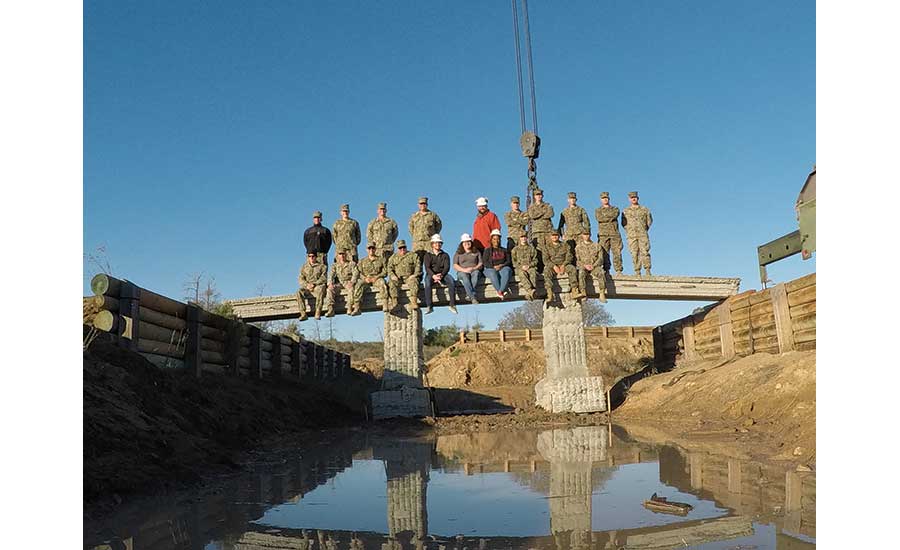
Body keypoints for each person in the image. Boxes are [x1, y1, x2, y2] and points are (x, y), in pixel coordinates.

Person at [542, 229, 582, 304]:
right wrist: (554, 266)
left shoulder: (565, 245)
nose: (555, 237)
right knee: (546, 271)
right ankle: (549, 293)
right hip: (552, 266)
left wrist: (564, 265)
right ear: (550, 237)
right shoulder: (546, 247)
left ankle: (574, 290)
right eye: (553, 235)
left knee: (572, 269)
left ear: (559, 236)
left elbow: (569, 256)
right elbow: (545, 260)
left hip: (564, 264)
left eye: (556, 235)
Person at [422, 234, 458, 315]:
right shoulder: (427, 255)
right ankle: (429, 306)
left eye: (439, 243)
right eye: (436, 243)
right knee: (427, 283)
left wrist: (441, 275)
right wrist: (434, 276)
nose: (438, 245)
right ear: (432, 244)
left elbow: (447, 267)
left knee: (451, 282)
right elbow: (427, 267)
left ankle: (452, 304)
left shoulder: (445, 255)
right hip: (431, 274)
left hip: (443, 274)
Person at [621, 191, 653, 277]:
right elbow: (624, 223)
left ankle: (647, 270)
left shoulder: (644, 209)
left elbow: (649, 221)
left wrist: (643, 228)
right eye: (632, 198)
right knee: (634, 253)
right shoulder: (625, 211)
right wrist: (630, 230)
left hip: (642, 234)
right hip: (631, 235)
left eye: (635, 197)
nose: (633, 199)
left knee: (645, 252)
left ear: (637, 198)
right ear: (629, 199)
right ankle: (637, 271)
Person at [386, 239, 421, 310]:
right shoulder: (393, 258)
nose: (402, 249)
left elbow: (418, 266)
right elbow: (389, 268)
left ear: (406, 247)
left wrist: (414, 275)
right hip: (398, 279)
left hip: (410, 277)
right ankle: (394, 302)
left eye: (403, 247)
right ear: (397, 249)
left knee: (414, 281)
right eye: (400, 248)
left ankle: (414, 301)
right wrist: (392, 275)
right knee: (391, 283)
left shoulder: (413, 255)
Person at [325, 250, 362, 317]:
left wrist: (352, 281)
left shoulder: (352, 264)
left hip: (348, 282)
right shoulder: (335, 265)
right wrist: (330, 283)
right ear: (338, 256)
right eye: (340, 254)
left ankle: (349, 307)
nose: (342, 256)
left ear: (346, 255)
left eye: (343, 254)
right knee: (329, 290)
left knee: (351, 289)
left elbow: (356, 273)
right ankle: (330, 309)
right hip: (340, 283)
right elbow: (331, 275)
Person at [595, 191, 624, 275]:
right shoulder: (598, 210)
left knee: (617, 252)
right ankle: (606, 269)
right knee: (604, 253)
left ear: (609, 199)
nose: (605, 200)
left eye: (606, 198)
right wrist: (609, 217)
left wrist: (606, 217)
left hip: (614, 233)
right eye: (603, 198)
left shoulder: (615, 209)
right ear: (601, 200)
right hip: (603, 235)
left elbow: (615, 215)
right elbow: (599, 218)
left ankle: (618, 270)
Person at [574, 231, 608, 303]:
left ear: (590, 235)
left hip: (594, 266)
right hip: (584, 266)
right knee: (581, 273)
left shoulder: (597, 246)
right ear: (582, 236)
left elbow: (601, 258)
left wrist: (594, 265)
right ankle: (583, 292)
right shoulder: (578, 247)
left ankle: (602, 293)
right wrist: (584, 265)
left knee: (601, 272)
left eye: (588, 234)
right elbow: (577, 260)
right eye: (585, 234)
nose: (586, 236)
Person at [408, 197, 442, 262]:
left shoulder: (432, 215)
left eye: (424, 203)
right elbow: (410, 228)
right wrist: (416, 236)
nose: (423, 205)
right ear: (418, 205)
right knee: (417, 262)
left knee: (431, 261)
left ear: (427, 204)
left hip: (429, 242)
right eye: (421, 204)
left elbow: (439, 225)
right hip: (417, 243)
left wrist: (433, 235)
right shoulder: (414, 216)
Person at [359, 242, 390, 312]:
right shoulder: (362, 261)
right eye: (369, 248)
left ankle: (385, 303)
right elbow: (359, 273)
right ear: (367, 250)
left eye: (373, 248)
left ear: (375, 249)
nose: (371, 250)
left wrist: (377, 277)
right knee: (359, 284)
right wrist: (365, 278)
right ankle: (357, 305)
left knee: (383, 283)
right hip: (366, 279)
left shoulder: (381, 259)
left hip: (377, 279)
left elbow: (385, 272)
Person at [482, 229, 512, 299]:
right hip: (490, 268)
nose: (496, 241)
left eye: (498, 239)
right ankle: (502, 290)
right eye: (494, 239)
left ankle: (500, 292)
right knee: (493, 273)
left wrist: (501, 265)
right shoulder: (487, 250)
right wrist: (493, 267)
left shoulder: (504, 250)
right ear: (491, 240)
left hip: (502, 267)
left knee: (507, 271)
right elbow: (485, 262)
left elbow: (508, 261)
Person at [453, 233, 483, 303]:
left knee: (476, 274)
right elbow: (455, 265)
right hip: (462, 271)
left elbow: (481, 263)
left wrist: (474, 268)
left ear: (471, 242)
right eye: (465, 242)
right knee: (464, 276)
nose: (467, 243)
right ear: (462, 243)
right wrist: (464, 270)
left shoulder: (476, 251)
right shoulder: (458, 253)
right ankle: (472, 297)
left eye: (468, 241)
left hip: (474, 270)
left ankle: (469, 294)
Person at [296, 252, 327, 320]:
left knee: (321, 289)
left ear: (316, 257)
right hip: (307, 287)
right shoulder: (304, 267)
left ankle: (318, 312)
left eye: (313, 256)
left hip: (317, 286)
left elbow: (324, 278)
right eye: (309, 256)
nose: (311, 257)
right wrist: (307, 285)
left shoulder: (322, 266)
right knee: (299, 292)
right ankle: (303, 313)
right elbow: (301, 279)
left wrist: (315, 284)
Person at [527, 187, 554, 256]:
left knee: (550, 249)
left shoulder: (547, 205)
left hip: (548, 230)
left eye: (540, 194)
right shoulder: (531, 207)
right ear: (534, 196)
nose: (539, 196)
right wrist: (543, 212)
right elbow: (532, 215)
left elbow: (550, 214)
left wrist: (538, 214)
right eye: (537, 195)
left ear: (542, 195)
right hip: (537, 231)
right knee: (538, 250)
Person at [511, 233, 539, 301]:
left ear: (527, 238)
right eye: (522, 237)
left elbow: (535, 260)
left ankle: (529, 293)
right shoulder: (515, 250)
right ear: (519, 238)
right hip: (520, 268)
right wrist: (521, 267)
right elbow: (514, 262)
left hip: (530, 267)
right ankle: (531, 291)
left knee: (533, 272)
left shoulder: (531, 249)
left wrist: (529, 266)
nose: (523, 238)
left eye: (525, 237)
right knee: (522, 274)